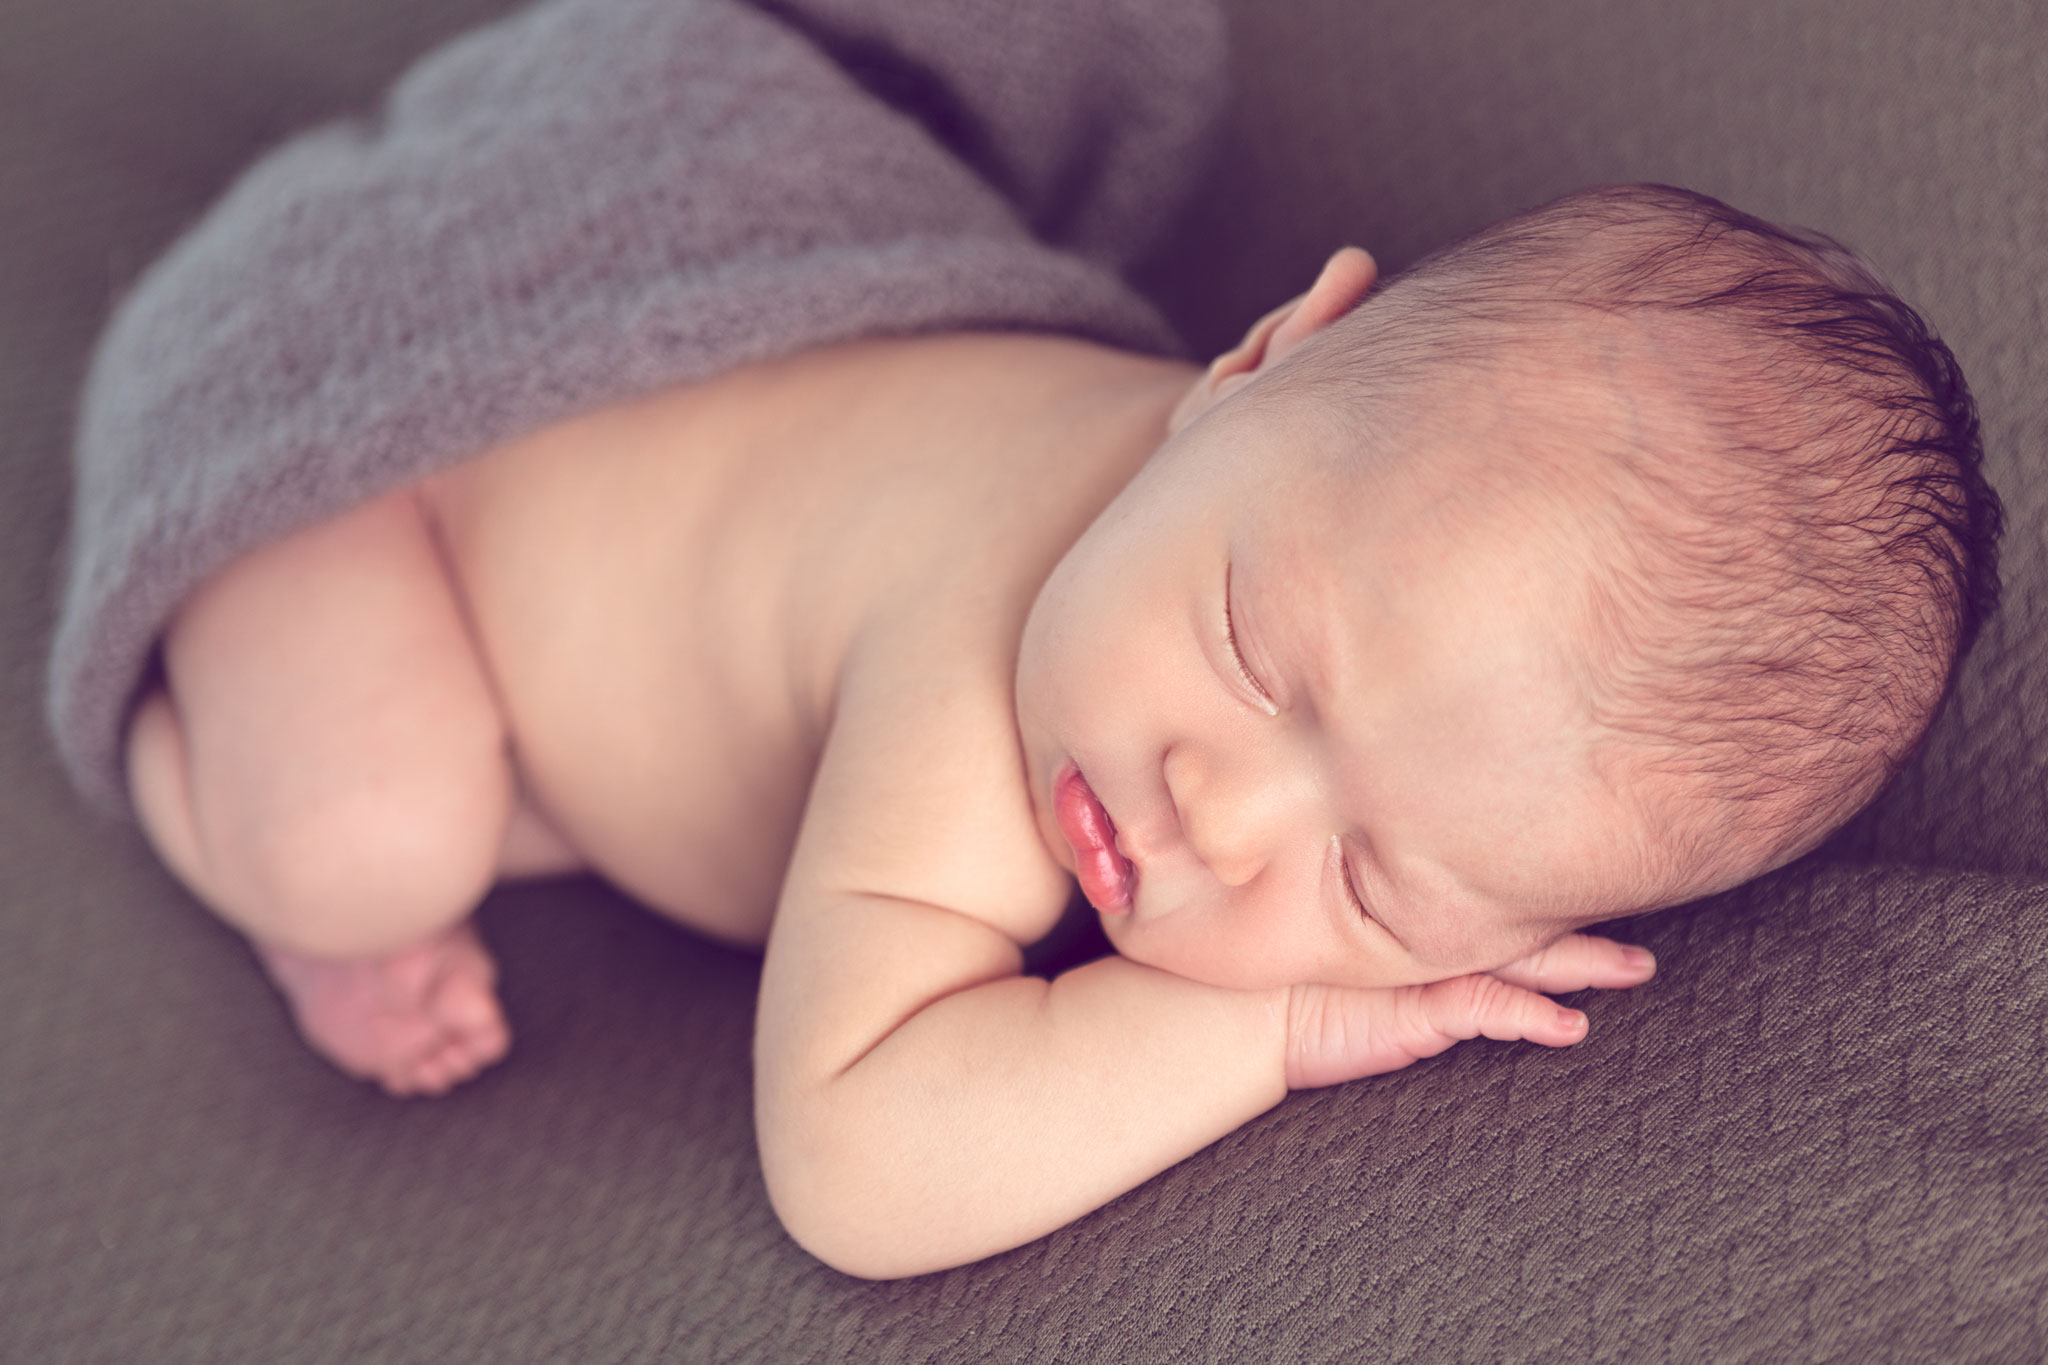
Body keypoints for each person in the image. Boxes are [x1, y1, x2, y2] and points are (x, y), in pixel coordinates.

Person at [115, 178, 2000, 1277]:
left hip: (588, 588)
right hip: (391, 474)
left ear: (1508, 941)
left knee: (507, 786)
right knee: (372, 844)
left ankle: (523, 766)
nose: (1214, 805)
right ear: (1253, 366)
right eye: (1256, 648)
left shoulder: (1228, 560)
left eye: (1371, 877)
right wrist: (1281, 1017)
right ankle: (193, 776)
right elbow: (855, 1168)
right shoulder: (978, 656)